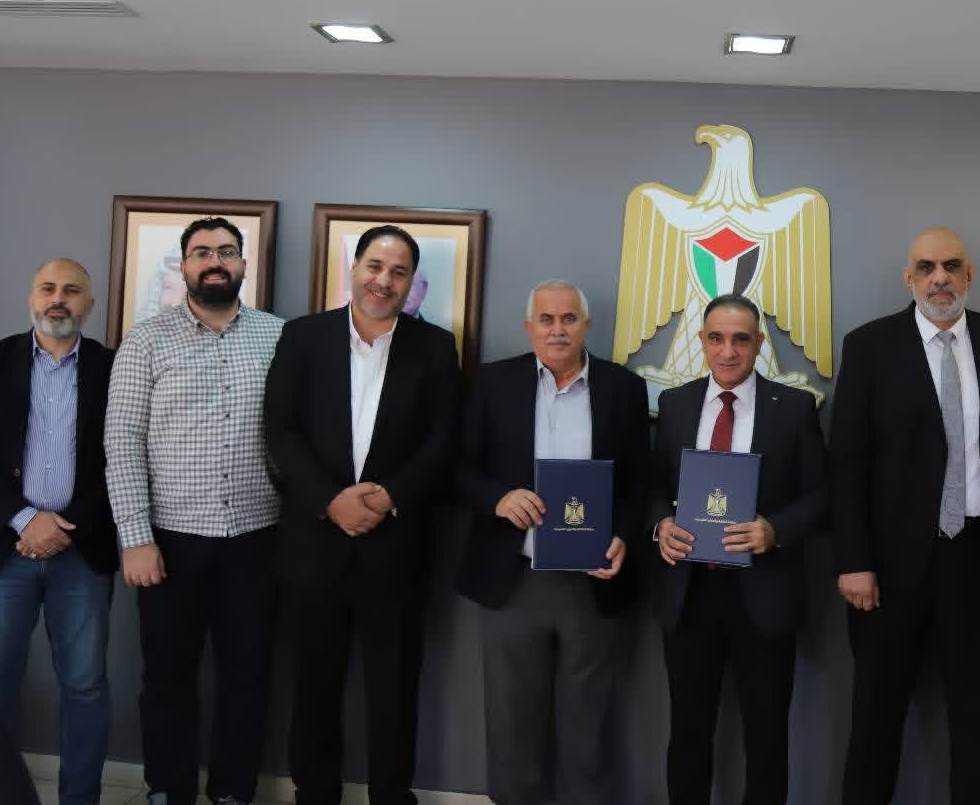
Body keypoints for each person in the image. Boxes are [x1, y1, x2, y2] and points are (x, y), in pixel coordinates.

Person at [828, 226, 980, 805]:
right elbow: (846, 461)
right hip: (887, 571)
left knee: (977, 724)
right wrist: (853, 560)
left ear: (969, 275)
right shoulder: (870, 346)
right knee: (875, 720)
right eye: (926, 267)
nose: (939, 278)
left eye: (951, 266)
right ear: (910, 278)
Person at [264, 225, 461, 805]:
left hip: (396, 547)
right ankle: (315, 794)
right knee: (314, 687)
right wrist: (331, 500)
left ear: (412, 282)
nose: (384, 281)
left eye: (399, 272)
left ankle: (392, 796)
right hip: (314, 545)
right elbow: (281, 430)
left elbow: (443, 441)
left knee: (394, 690)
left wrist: (389, 496)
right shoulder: (303, 337)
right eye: (375, 266)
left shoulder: (435, 348)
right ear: (354, 268)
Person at [105, 217, 284, 805]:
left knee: (249, 675)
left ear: (243, 265)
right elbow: (122, 442)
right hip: (169, 542)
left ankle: (232, 793)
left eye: (227, 252)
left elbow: (299, 434)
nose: (215, 261)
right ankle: (169, 790)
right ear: (183, 266)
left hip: (258, 539)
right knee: (166, 676)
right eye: (202, 252)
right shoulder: (145, 341)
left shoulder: (279, 337)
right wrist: (135, 537)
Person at [454, 279, 650, 805]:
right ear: (529, 327)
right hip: (512, 576)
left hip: (592, 580)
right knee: (512, 720)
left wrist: (623, 536)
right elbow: (457, 470)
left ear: (586, 326)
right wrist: (498, 498)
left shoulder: (624, 389)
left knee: (588, 721)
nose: (558, 329)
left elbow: (641, 485)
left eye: (568, 319)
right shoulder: (493, 383)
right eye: (547, 319)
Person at [0, 258, 116, 805]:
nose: (58, 298)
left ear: (89, 304)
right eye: (48, 288)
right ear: (32, 298)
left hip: (80, 552)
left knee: (86, 687)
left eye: (72, 290)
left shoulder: (113, 367)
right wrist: (26, 519)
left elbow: (123, 459)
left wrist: (63, 528)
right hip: (1, 550)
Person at [652, 294, 828, 805]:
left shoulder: (794, 408)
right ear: (702, 341)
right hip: (690, 593)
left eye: (740, 339)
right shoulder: (675, 404)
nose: (727, 351)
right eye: (716, 338)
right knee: (688, 732)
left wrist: (776, 529)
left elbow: (823, 495)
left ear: (757, 343)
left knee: (766, 735)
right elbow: (652, 485)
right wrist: (659, 524)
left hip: (763, 592)